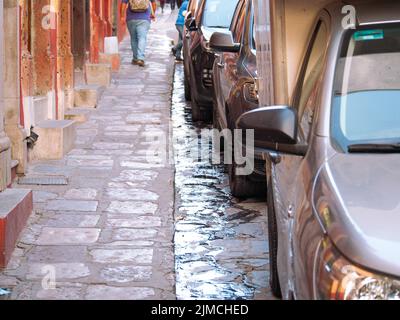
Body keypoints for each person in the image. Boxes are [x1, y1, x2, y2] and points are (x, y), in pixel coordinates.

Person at [121, 0, 156, 67]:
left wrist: (122, 16)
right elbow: (153, 3)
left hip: (131, 18)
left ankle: (135, 58)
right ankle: (140, 58)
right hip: (144, 18)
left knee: (133, 39)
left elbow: (123, 3)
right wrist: (152, 13)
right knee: (142, 38)